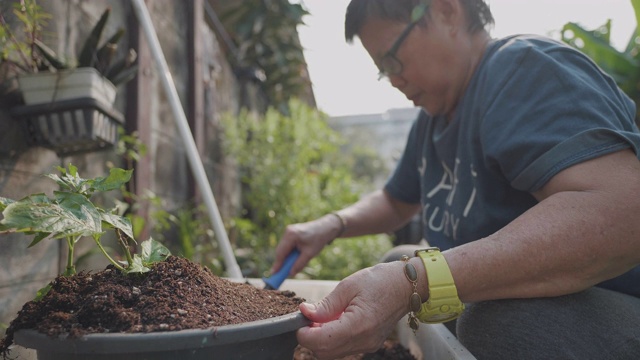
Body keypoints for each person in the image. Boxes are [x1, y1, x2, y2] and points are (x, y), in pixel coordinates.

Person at [270, 0, 640, 358]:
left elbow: (624, 209)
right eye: (384, 70)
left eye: (392, 59)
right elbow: (396, 201)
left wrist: (414, 279)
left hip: (613, 303)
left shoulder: (525, 71)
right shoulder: (434, 118)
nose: (393, 79)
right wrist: (331, 225)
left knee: (503, 320)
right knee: (399, 259)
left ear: (446, 10)